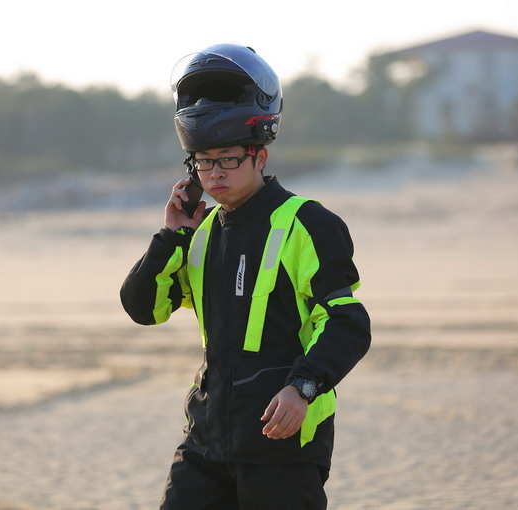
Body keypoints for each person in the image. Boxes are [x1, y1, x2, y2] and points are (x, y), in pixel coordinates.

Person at [120, 43, 371, 510]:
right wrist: (170, 236)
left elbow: (346, 322)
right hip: (205, 442)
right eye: (203, 161)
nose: (214, 173)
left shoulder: (308, 224)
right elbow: (144, 309)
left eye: (228, 158)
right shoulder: (198, 233)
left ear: (260, 156)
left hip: (283, 444)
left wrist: (303, 388)